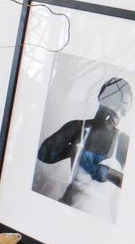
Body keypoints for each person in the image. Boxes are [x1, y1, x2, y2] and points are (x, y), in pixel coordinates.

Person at [38, 76, 132, 216]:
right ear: (102, 100)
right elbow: (44, 154)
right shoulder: (78, 128)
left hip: (96, 219)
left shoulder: (124, 141)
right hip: (65, 207)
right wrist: (71, 148)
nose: (117, 112)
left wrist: (111, 175)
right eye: (113, 103)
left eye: (122, 108)